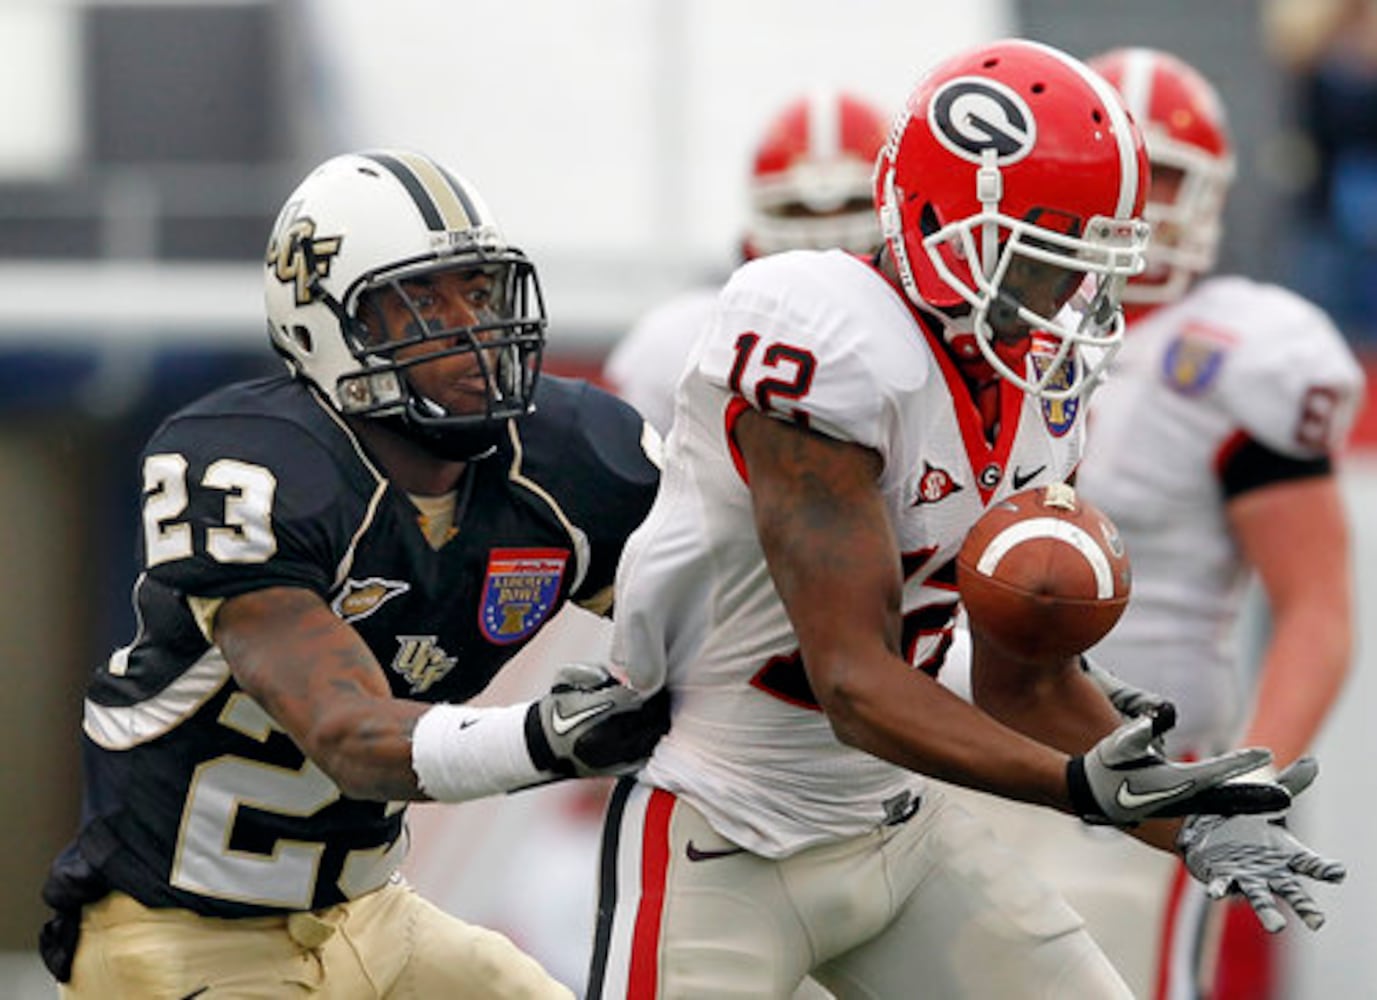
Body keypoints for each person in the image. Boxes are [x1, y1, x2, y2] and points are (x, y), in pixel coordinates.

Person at [582, 38, 1345, 999]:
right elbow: (854, 683)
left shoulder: (1034, 384)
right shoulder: (823, 333)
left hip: (897, 828)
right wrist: (1078, 791)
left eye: (1090, 266)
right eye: (1047, 260)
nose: (1075, 298)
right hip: (722, 824)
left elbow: (1020, 687)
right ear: (947, 222)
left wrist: (1189, 815)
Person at [37, 148, 668, 999]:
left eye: (478, 294)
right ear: (322, 328)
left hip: (371, 914)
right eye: (420, 308)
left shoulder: (563, 457)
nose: (471, 333)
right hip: (179, 935)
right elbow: (347, 736)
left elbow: (719, 622)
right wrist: (545, 738)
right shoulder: (256, 467)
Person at [945, 48, 1365, 1000]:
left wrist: (1240, 783)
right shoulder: (965, 320)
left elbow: (1315, 608)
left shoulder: (1243, 352)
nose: (1148, 199)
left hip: (1145, 776)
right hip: (955, 749)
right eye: (1132, 164)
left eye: (1170, 172)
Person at [603, 87, 889, 436]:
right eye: (796, 209)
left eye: (855, 207)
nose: (828, 232)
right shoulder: (674, 344)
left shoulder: (937, 345)